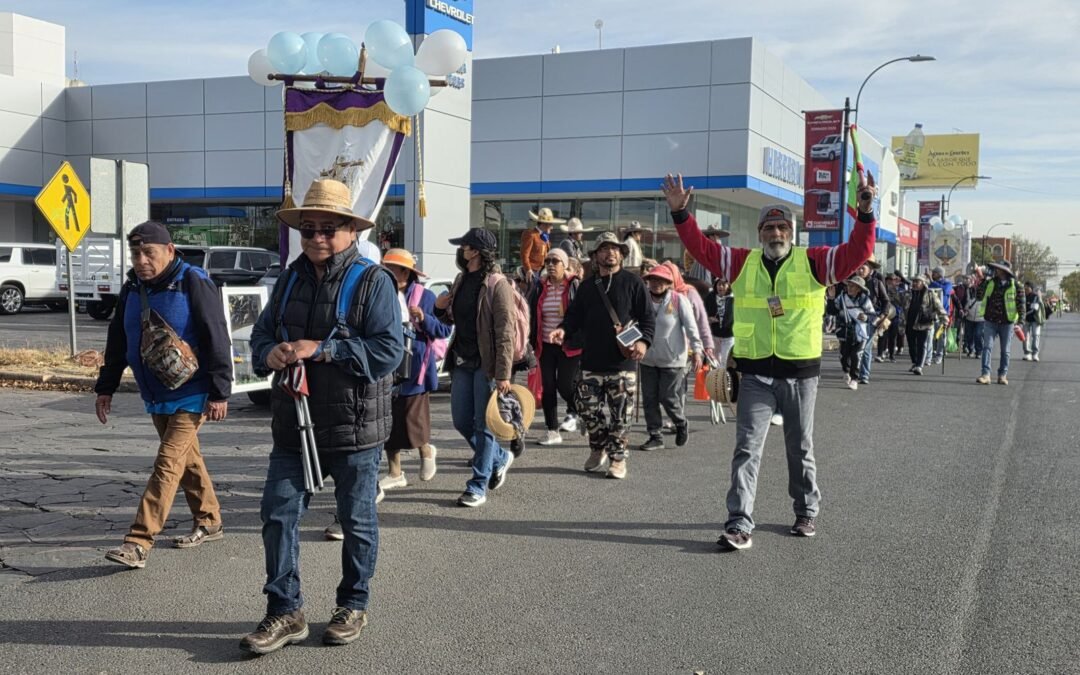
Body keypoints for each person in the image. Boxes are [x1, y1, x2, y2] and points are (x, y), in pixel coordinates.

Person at [665, 170, 876, 551]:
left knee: (800, 447)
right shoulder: (740, 262)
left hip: (801, 375)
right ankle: (739, 523)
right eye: (769, 228)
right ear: (760, 233)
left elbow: (857, 253)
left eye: (781, 228)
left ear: (790, 234)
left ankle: (806, 509)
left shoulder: (814, 262)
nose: (775, 234)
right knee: (746, 447)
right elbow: (701, 249)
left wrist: (864, 212)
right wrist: (681, 215)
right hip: (755, 375)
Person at [242, 178, 403, 654]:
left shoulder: (373, 281)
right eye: (308, 228)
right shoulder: (289, 278)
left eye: (327, 228)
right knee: (277, 515)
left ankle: (353, 603)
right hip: (294, 425)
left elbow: (389, 350)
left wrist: (326, 349)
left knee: (357, 521)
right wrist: (269, 354)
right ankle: (284, 610)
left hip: (356, 429)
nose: (316, 237)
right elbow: (260, 337)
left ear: (351, 231)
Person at [95, 221, 232, 569]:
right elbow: (118, 341)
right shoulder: (131, 289)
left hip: (193, 392)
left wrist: (220, 391)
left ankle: (138, 541)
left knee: (167, 463)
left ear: (169, 251)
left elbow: (217, 335)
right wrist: (105, 387)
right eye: (136, 253)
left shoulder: (192, 281)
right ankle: (210, 519)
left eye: (149, 253)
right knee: (186, 460)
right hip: (157, 393)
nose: (141, 260)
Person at [549, 232, 655, 480]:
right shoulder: (587, 286)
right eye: (605, 249)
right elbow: (573, 316)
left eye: (615, 248)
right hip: (591, 362)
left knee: (621, 416)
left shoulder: (634, 283)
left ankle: (617, 459)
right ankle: (598, 447)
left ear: (622, 253)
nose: (611, 253)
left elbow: (648, 319)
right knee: (586, 409)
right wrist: (563, 330)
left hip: (623, 362)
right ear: (595, 255)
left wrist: (643, 341)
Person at [435, 228, 518, 507]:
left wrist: (503, 373)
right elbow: (450, 319)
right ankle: (499, 457)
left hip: (486, 365)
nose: (461, 250)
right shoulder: (461, 280)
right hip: (461, 360)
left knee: (484, 426)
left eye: (465, 247)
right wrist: (437, 309)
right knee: (461, 421)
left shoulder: (498, 284)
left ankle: (478, 484)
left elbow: (506, 332)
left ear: (477, 252)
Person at [379, 248, 452, 489]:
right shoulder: (379, 293)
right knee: (387, 420)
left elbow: (443, 330)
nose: (387, 272)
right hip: (387, 366)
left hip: (416, 366)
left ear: (405, 272)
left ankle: (426, 450)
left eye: (391, 268)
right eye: (385, 267)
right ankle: (395, 471)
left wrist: (424, 318)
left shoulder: (425, 296)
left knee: (413, 419)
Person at [638, 264, 702, 450]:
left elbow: (691, 326)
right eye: (653, 280)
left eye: (662, 280)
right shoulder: (642, 300)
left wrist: (697, 350)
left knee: (668, 397)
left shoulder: (679, 300)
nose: (657, 283)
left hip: (673, 359)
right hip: (647, 358)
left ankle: (680, 422)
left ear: (668, 283)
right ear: (648, 281)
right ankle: (655, 436)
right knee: (649, 399)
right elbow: (634, 323)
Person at [529, 248, 582, 446]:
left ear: (565, 265)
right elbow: (531, 313)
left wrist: (569, 333)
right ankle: (552, 431)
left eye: (555, 261)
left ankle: (581, 411)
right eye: (548, 261)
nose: (550, 265)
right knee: (548, 387)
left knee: (565, 385)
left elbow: (580, 315)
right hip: (545, 344)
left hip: (569, 345)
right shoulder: (540, 286)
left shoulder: (574, 285)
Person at [976, 260, 1025, 385]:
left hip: (1007, 322)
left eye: (999, 268)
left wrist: (1020, 323)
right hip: (990, 320)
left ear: (1005, 271)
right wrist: (982, 280)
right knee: (987, 347)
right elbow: (978, 296)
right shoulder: (990, 282)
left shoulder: (1016, 285)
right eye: (996, 268)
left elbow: (1021, 305)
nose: (996, 270)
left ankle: (1002, 374)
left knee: (1005, 350)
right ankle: (985, 374)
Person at [828, 276, 876, 390]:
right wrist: (831, 299)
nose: (849, 288)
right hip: (844, 332)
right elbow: (831, 311)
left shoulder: (864, 299)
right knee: (844, 356)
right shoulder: (842, 298)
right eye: (849, 285)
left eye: (853, 286)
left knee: (856, 355)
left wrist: (866, 317)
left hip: (860, 333)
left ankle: (855, 379)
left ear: (859, 288)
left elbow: (873, 316)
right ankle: (846, 371)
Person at [902, 274, 948, 376]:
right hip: (910, 323)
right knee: (911, 345)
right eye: (914, 281)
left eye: (917, 282)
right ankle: (915, 362)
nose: (914, 284)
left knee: (922, 345)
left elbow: (939, 307)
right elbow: (902, 305)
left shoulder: (930, 294)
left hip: (924, 323)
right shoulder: (908, 293)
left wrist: (944, 318)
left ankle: (919, 366)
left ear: (923, 283)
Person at [854, 257, 889, 383]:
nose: (860, 270)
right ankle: (853, 371)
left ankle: (863, 375)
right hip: (854, 318)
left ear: (870, 269)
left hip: (870, 319)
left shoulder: (876, 283)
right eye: (858, 267)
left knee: (866, 346)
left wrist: (881, 317)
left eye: (863, 267)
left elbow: (886, 301)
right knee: (854, 347)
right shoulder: (852, 282)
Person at [521, 207, 564, 279]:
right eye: (551, 225)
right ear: (544, 224)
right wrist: (528, 269)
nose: (552, 227)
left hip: (543, 270)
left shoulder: (545, 236)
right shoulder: (531, 234)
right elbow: (524, 254)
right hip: (533, 271)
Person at [705, 275, 735, 368]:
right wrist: (708, 319)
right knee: (713, 361)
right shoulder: (710, 296)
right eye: (719, 284)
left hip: (729, 336)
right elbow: (702, 312)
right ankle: (714, 381)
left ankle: (723, 381)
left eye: (723, 284)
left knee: (725, 361)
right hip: (714, 335)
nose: (720, 287)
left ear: (728, 286)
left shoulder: (734, 298)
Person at [928, 266, 954, 365]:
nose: (932, 275)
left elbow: (943, 290)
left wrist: (932, 281)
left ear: (939, 274)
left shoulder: (948, 283)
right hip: (932, 312)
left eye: (934, 273)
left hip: (942, 314)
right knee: (931, 334)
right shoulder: (931, 283)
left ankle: (939, 354)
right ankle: (930, 354)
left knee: (941, 335)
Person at [962, 270, 985, 358]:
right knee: (969, 335)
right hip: (969, 316)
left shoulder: (985, 290)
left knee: (978, 334)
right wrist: (965, 310)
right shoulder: (968, 290)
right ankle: (971, 350)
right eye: (975, 279)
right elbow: (966, 302)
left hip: (981, 317)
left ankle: (978, 351)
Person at [1022, 281, 1044, 362]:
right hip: (1025, 320)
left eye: (1027, 288)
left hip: (1035, 319)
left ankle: (1035, 354)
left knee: (1035, 335)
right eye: (1024, 288)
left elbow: (1034, 309)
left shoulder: (1035, 297)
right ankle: (1027, 353)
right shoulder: (1022, 296)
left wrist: (1024, 314)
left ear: (1031, 288)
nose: (1025, 290)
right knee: (1025, 337)